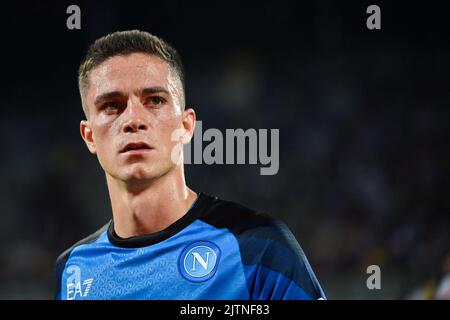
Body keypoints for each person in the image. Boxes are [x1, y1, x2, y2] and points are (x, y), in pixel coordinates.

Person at [54, 30, 326, 300]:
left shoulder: (257, 248)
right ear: (89, 136)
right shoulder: (73, 270)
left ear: (186, 126)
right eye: (112, 106)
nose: (133, 120)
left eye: (155, 100)